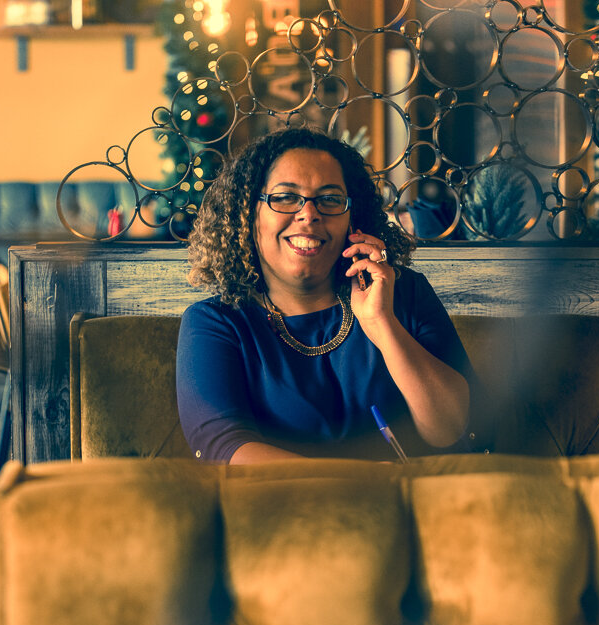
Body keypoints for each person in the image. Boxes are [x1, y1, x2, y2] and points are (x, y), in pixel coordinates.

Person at [177, 127, 475, 464]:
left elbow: (450, 428)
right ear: (249, 214)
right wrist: (364, 484)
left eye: (330, 199)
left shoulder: (402, 292)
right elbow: (225, 448)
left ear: (352, 218)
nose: (309, 214)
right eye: (285, 197)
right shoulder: (218, 321)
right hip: (286, 512)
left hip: (415, 508)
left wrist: (381, 323)